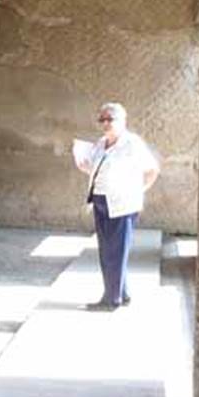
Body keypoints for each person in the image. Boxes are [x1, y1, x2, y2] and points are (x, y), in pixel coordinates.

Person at [76, 102, 160, 312]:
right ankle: (122, 293)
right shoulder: (101, 143)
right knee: (106, 250)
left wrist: (138, 192)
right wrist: (86, 167)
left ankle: (111, 299)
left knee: (116, 251)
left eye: (109, 119)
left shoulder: (132, 143)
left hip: (122, 204)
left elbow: (152, 170)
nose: (105, 123)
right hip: (100, 200)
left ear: (122, 121)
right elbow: (99, 170)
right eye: (102, 119)